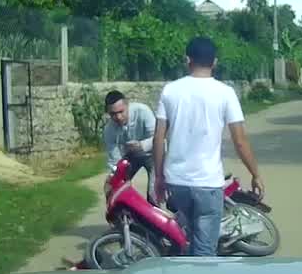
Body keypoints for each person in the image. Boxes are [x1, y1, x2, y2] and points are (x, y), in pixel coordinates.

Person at [153, 36, 264, 256]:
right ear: (215, 62)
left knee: (189, 238)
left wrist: (158, 177)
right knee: (204, 250)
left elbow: (159, 138)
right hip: (208, 184)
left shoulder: (170, 91)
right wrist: (255, 174)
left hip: (177, 183)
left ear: (188, 60)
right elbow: (240, 141)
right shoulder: (225, 93)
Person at [102, 90, 158, 204]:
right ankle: (124, 218)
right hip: (131, 157)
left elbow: (159, 139)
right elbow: (115, 160)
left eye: (121, 111)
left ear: (127, 105)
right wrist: (114, 178)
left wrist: (142, 145)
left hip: (153, 154)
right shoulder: (109, 130)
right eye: (113, 114)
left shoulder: (143, 111)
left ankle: (158, 216)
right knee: (113, 187)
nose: (118, 117)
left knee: (153, 194)